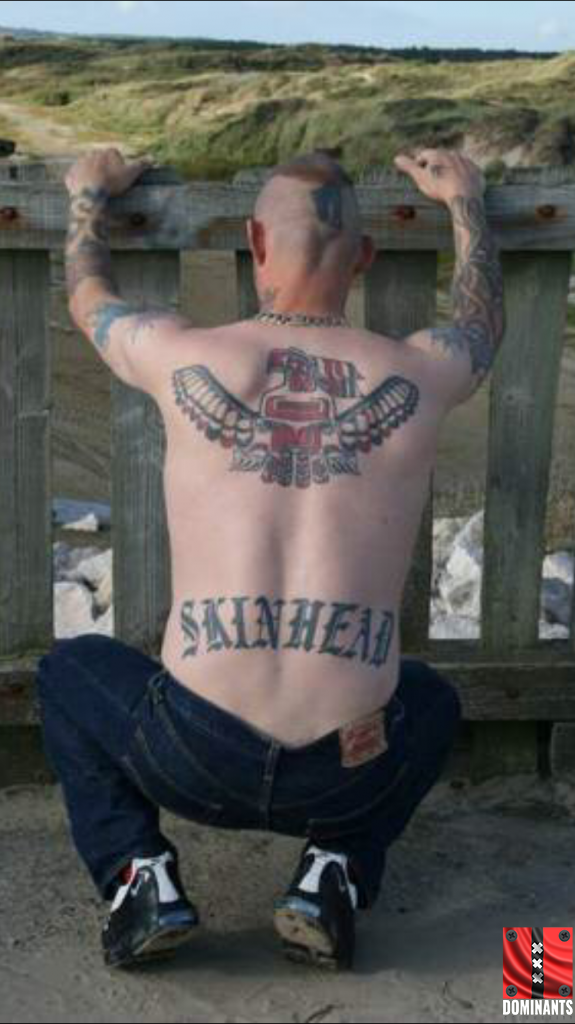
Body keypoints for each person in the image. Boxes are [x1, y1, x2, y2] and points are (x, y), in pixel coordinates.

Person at [35, 145, 505, 972]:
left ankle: (139, 875)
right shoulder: (420, 374)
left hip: (192, 753)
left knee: (68, 672)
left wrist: (89, 198)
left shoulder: (183, 356)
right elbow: (479, 325)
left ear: (255, 242)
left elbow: (88, 298)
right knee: (429, 701)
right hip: (349, 766)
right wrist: (465, 202)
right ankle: (333, 872)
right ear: (362, 257)